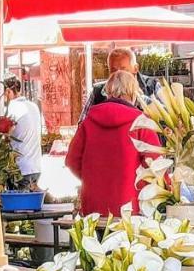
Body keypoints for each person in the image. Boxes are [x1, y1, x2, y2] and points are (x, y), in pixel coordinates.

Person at [66, 71, 162, 217]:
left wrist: (92, 178)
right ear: (133, 93)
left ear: (108, 92)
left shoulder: (88, 121)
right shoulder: (141, 123)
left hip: (94, 207)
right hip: (130, 207)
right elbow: (156, 166)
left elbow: (72, 161)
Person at [81, 47, 158, 119]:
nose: (118, 75)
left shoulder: (152, 86)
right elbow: (83, 124)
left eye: (123, 70)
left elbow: (166, 124)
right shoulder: (98, 91)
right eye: (113, 71)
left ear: (135, 68)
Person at [0, 76, 42, 189]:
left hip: (20, 170)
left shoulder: (11, 108)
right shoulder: (33, 106)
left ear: (8, 91)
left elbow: (4, 135)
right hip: (36, 167)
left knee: (19, 205)